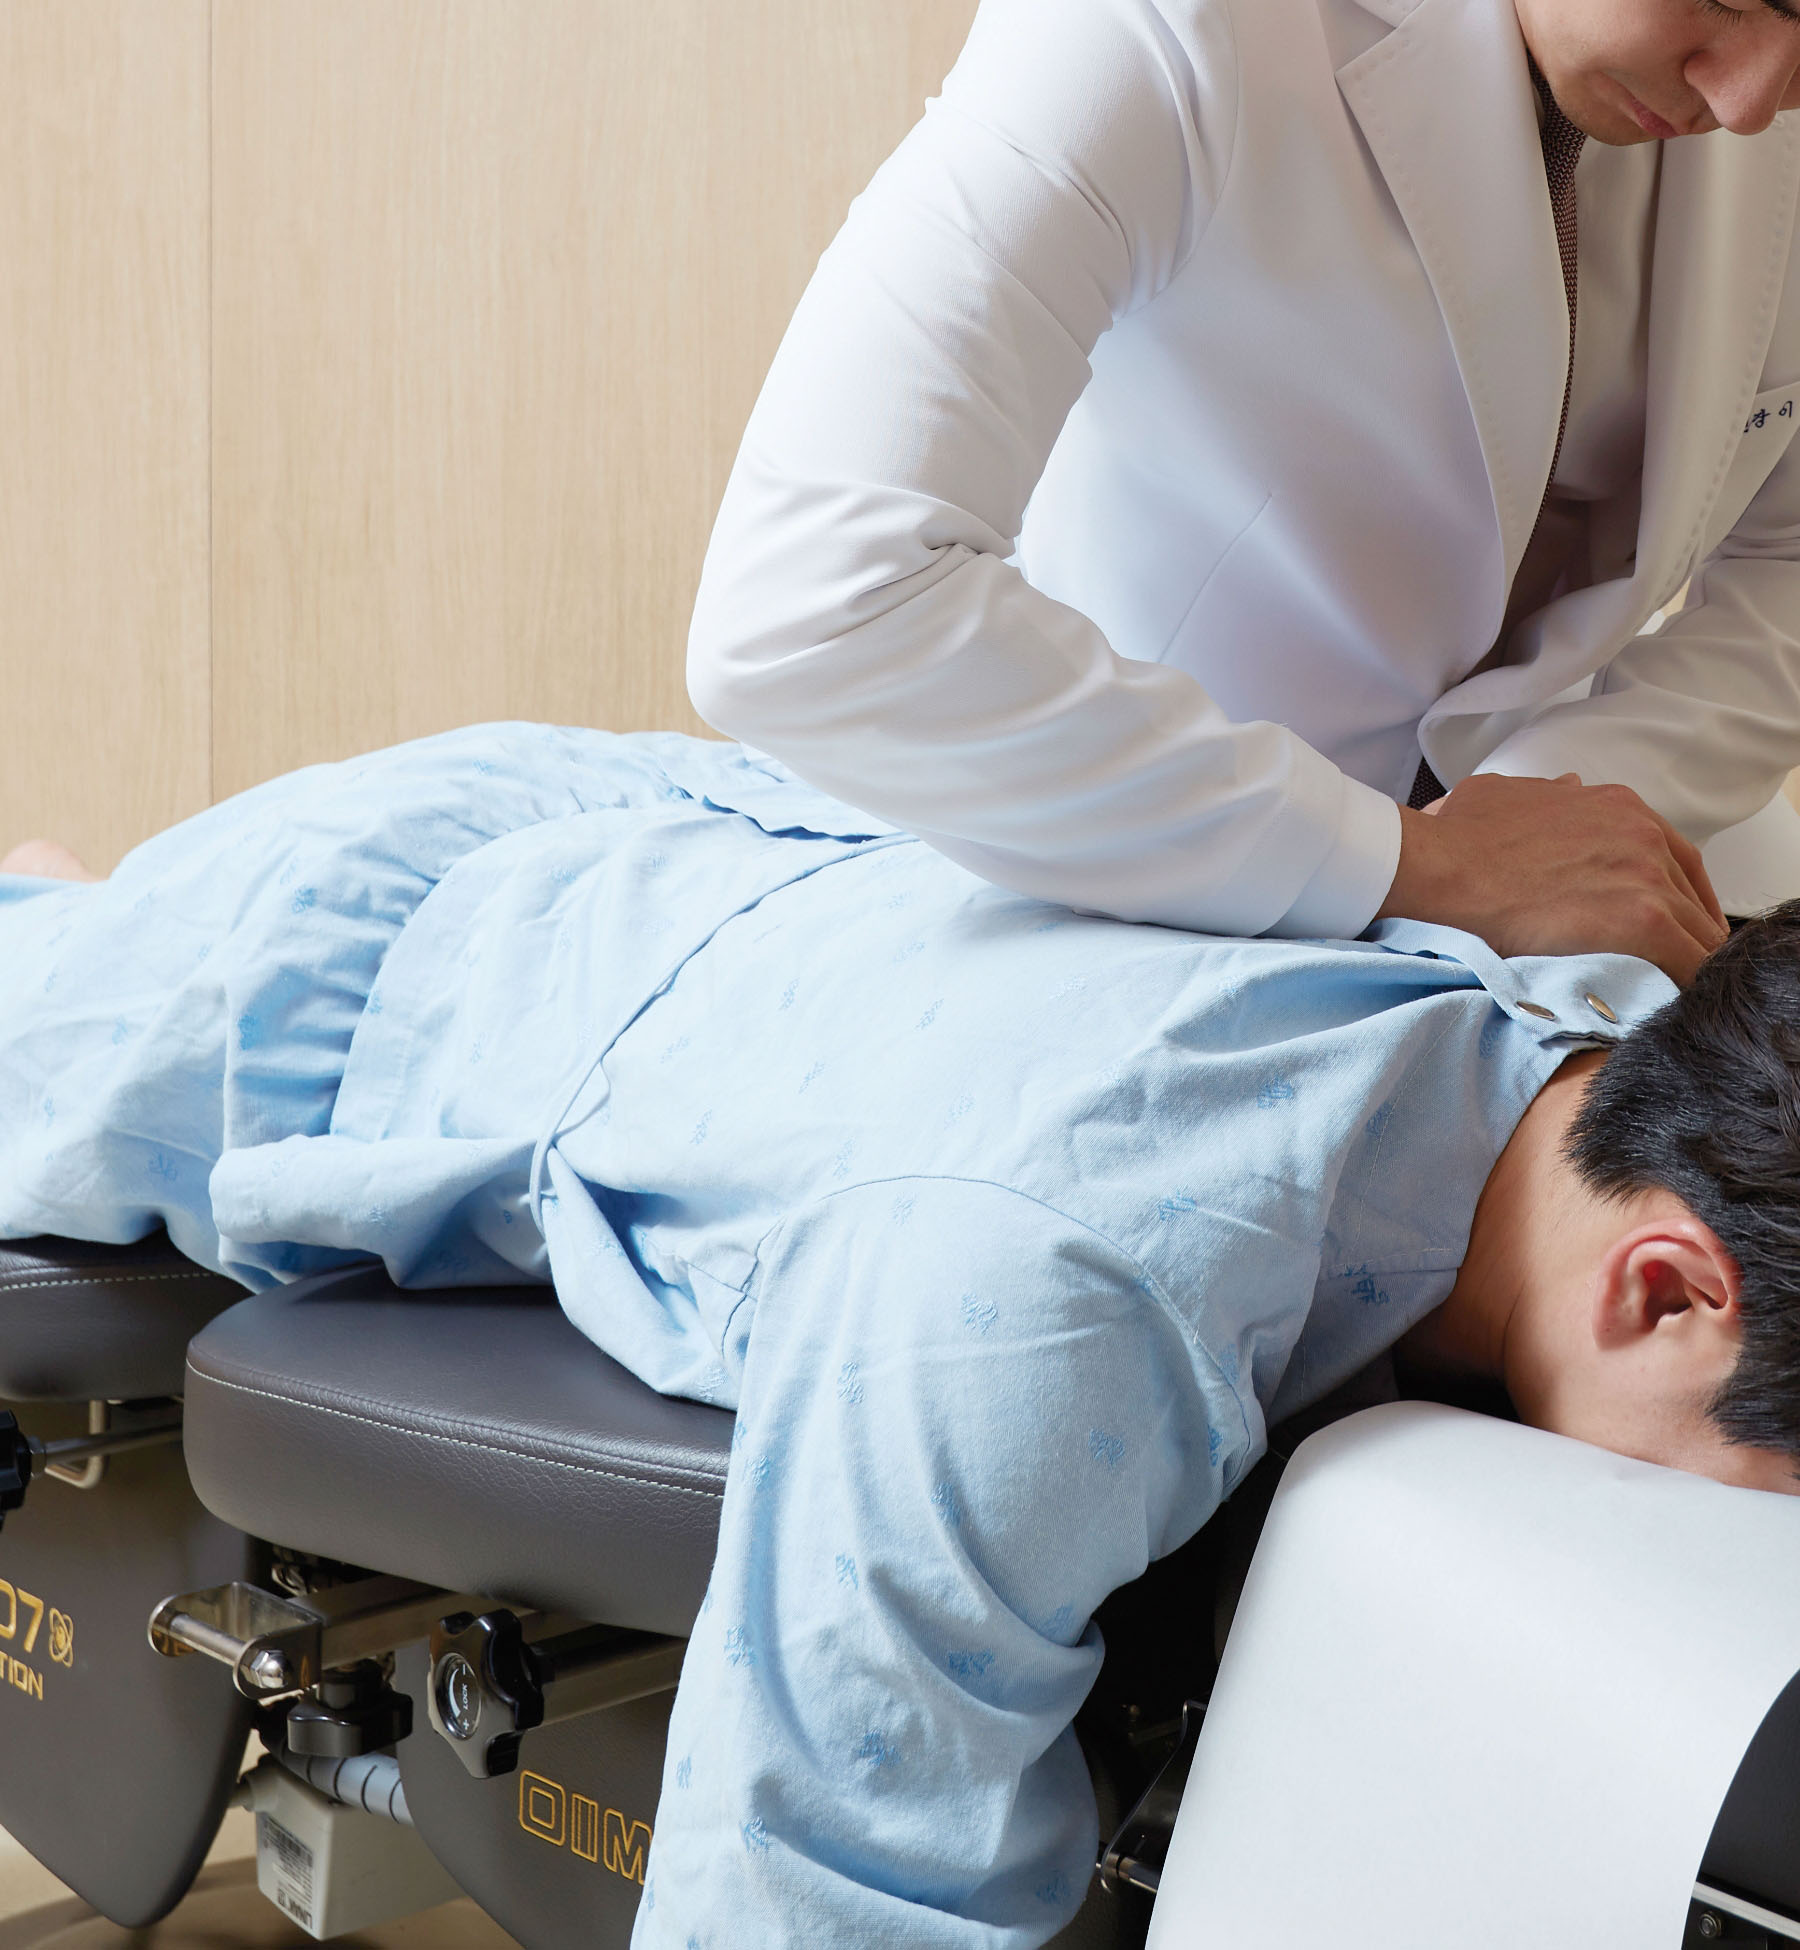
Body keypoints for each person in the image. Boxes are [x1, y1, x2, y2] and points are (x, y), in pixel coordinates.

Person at [1, 721, 1796, 1950]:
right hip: (396, 960)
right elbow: (813, 1885)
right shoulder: (1042, 1298)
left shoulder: (1625, 1035)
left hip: (755, 876)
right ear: (1662, 1288)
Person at [686, 0, 1800, 988]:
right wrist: (1421, 862)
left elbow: (1786, 563)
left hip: (1631, 835)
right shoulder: (1161, 24)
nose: (1751, 104)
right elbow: (812, 605)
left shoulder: (1761, 97)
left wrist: (1558, 810)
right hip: (1161, 847)